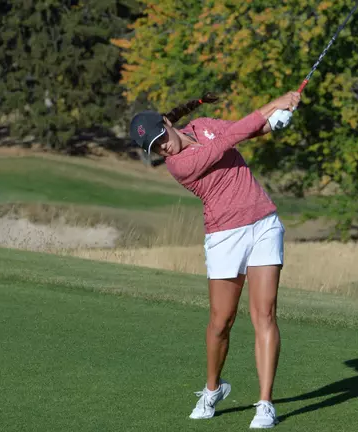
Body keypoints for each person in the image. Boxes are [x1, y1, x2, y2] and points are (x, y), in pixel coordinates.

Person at [129, 90, 301, 429]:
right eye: (154, 149)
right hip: (225, 236)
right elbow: (230, 139)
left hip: (264, 224)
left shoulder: (204, 125)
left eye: (160, 138)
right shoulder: (180, 166)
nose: (162, 148)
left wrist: (276, 121)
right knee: (221, 321)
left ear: (166, 123)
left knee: (264, 314)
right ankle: (213, 388)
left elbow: (247, 129)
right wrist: (273, 103)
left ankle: (265, 403)